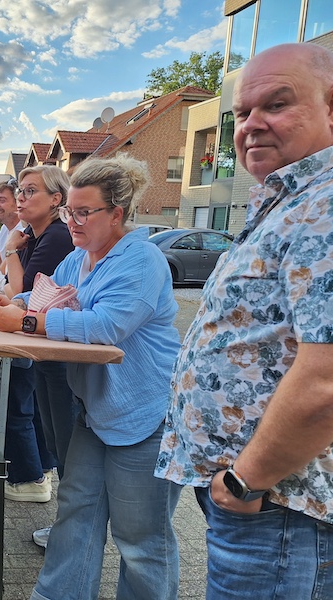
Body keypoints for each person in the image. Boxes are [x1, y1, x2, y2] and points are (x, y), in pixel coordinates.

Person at [155, 43, 333, 600]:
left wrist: (243, 481)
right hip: (260, 503)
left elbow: (327, 381)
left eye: (277, 104)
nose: (252, 125)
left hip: (276, 508)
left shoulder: (325, 204)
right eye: (243, 112)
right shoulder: (288, 202)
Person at [0, 155, 183, 599]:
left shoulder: (142, 260)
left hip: (145, 415)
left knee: (140, 541)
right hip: (95, 413)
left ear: (117, 213)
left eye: (83, 212)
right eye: (68, 211)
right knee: (75, 517)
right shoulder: (79, 258)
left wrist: (27, 323)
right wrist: (5, 302)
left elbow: (106, 326)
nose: (71, 221)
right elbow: (41, 295)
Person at [0, 165, 74, 503]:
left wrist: (11, 250)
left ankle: (29, 478)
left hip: (42, 339)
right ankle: (37, 471)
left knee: (15, 403)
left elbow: (21, 287)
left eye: (30, 191)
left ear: (56, 199)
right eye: (21, 191)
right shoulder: (36, 234)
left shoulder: (56, 236)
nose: (20, 198)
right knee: (33, 406)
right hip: (37, 337)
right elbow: (19, 293)